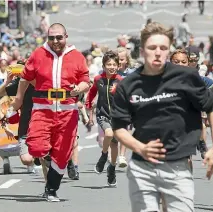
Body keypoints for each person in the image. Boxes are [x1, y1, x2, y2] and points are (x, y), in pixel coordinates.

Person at [111, 22, 213, 212]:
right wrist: (140, 148)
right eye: (152, 48)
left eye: (163, 48)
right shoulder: (128, 85)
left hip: (178, 166)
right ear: (142, 51)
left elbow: (210, 107)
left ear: (169, 50)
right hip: (143, 169)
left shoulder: (187, 77)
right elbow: (118, 127)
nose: (158, 52)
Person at [12, 23, 89, 201]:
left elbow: (86, 80)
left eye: (59, 37)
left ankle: (51, 189)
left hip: (67, 111)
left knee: (62, 154)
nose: (55, 41)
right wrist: (18, 99)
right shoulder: (38, 54)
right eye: (51, 37)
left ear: (66, 36)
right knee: (36, 147)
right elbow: (25, 78)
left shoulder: (77, 57)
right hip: (42, 109)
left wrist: (79, 89)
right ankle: (52, 159)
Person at [86, 50, 123, 187]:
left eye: (114, 64)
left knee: (114, 144)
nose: (111, 67)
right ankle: (103, 156)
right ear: (103, 65)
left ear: (118, 66)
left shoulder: (121, 81)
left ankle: (111, 169)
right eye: (109, 64)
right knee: (108, 133)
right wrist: (89, 106)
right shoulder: (98, 79)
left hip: (117, 117)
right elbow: (91, 93)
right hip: (103, 114)